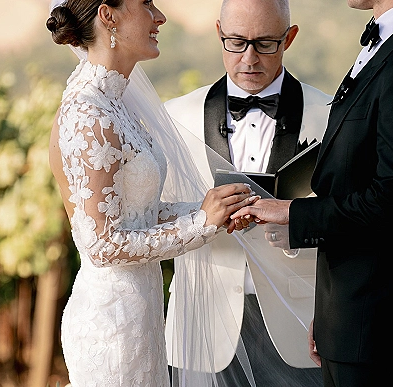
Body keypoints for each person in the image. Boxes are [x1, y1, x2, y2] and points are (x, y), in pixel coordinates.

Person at [231, 0, 393, 385]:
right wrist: (330, 312)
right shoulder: (390, 48)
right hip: (353, 324)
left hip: (380, 334)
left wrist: (292, 212)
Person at [46, 0, 259, 385]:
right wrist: (200, 224)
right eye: (145, 3)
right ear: (108, 15)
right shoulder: (87, 114)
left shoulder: (115, 104)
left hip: (140, 317)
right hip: (111, 328)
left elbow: (136, 215)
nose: (159, 16)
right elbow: (103, 245)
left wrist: (212, 209)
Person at [163, 0, 330, 385]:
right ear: (219, 32)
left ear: (290, 37)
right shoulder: (173, 117)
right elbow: (155, 213)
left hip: (298, 325)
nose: (249, 58)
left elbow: (347, 217)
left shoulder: (330, 114)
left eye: (265, 43)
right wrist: (203, 218)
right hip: (202, 327)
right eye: (236, 42)